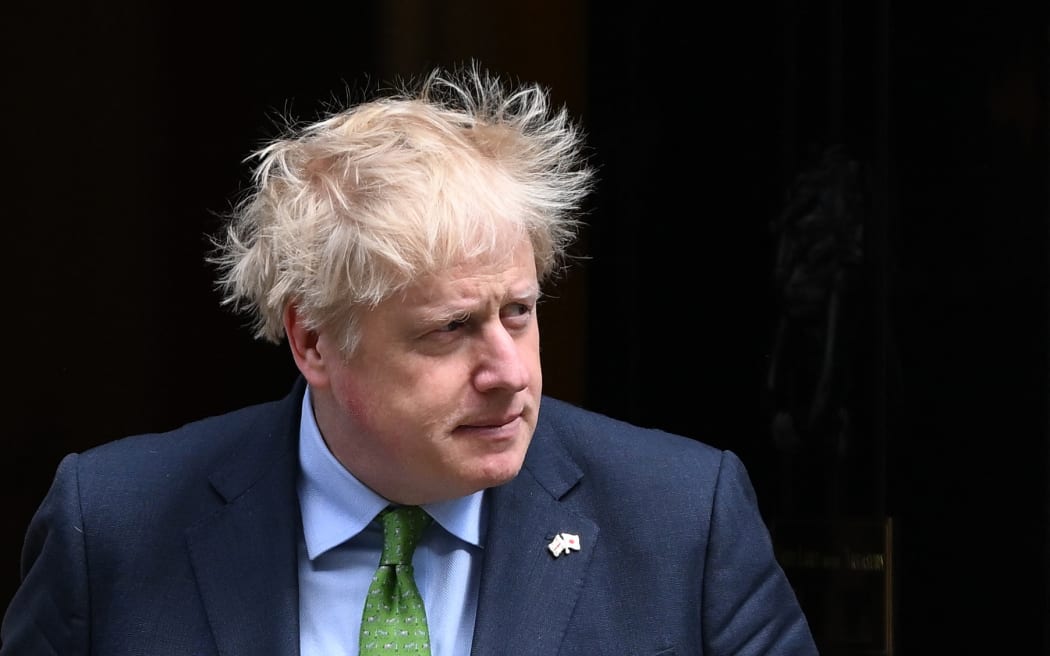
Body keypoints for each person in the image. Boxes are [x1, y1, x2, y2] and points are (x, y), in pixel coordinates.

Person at [0, 63, 818, 655]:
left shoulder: (681, 520)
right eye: (451, 329)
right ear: (313, 341)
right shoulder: (110, 526)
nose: (509, 372)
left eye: (520, 313)